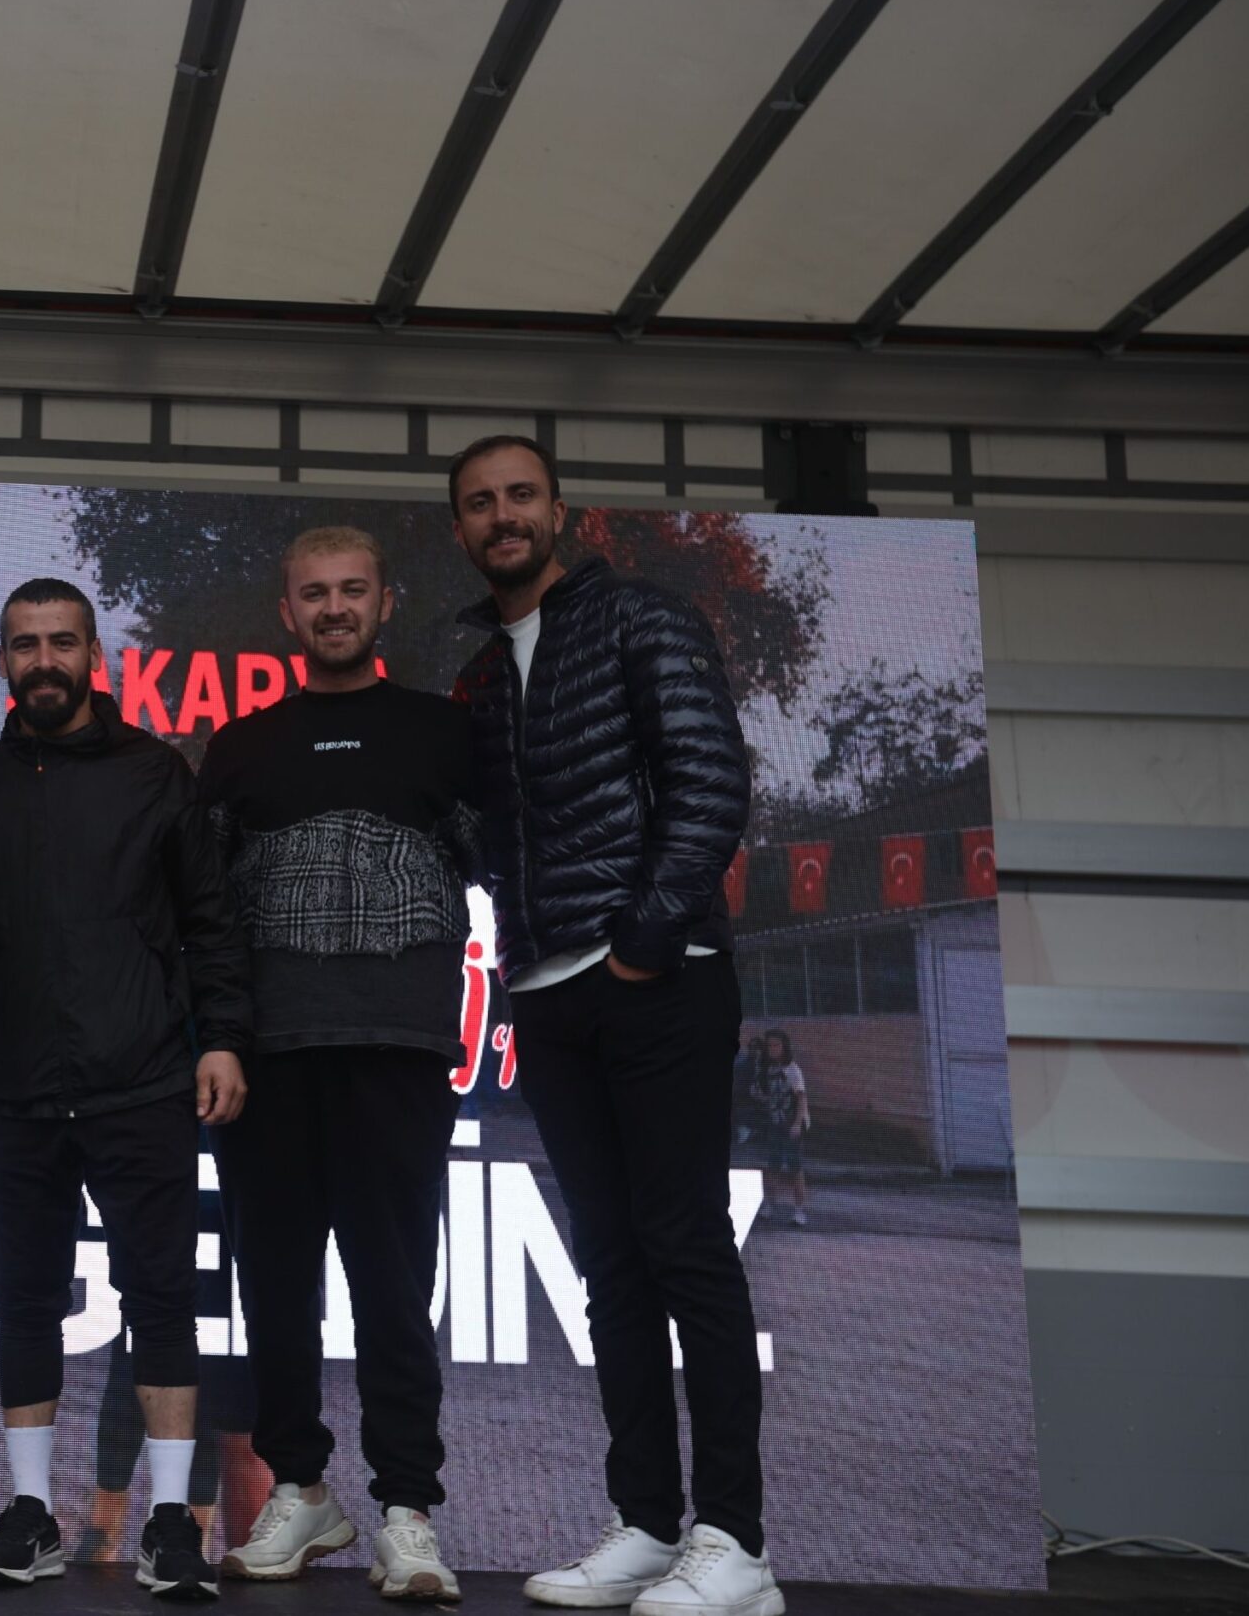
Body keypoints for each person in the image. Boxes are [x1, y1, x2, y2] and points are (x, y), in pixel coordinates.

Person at [447, 436, 779, 1616]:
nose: (502, 517)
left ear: (560, 512)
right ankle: (644, 1524)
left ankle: (734, 1543)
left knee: (683, 1244)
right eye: (479, 504)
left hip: (658, 977)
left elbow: (710, 783)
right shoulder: (480, 678)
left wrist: (644, 934)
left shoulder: (641, 619)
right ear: (460, 529)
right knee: (609, 1263)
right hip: (547, 992)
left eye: (519, 496)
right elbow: (486, 836)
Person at [0, 576, 251, 1603]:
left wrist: (221, 1040)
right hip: (11, 1089)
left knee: (161, 1299)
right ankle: (30, 1515)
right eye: (24, 644)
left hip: (142, 1078)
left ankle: (170, 1522)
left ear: (93, 657)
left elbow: (209, 920)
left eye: (60, 642)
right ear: (3, 661)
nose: (43, 661)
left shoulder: (156, 772)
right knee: (24, 1301)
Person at [201, 525, 478, 1601]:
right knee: (274, 1290)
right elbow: (209, 916)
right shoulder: (240, 747)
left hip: (399, 1051)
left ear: (383, 601)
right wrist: (221, 1037)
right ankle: (300, 1490)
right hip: (268, 1060)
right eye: (313, 593)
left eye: (351, 589)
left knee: (395, 1291)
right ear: (286, 612)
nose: (333, 608)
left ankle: (407, 1511)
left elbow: (494, 865)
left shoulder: (444, 735)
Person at [751, 1031, 810, 1227]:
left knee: (795, 1167)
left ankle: (799, 1210)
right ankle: (769, 1204)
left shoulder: (792, 1070)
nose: (772, 1049)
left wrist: (797, 1123)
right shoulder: (766, 1070)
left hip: (791, 1123)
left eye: (776, 1045)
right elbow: (761, 1094)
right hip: (774, 1123)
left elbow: (801, 1098)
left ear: (784, 1047)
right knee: (773, 1165)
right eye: (769, 1045)